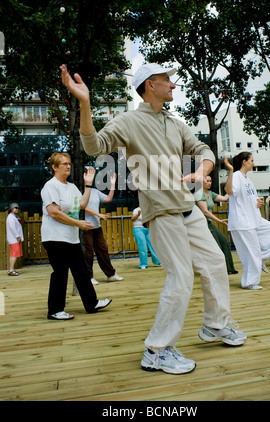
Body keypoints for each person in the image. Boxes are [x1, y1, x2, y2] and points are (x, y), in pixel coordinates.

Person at [60, 62, 247, 375]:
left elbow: (203, 148)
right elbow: (94, 146)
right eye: (167, 80)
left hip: (188, 207)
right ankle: (157, 350)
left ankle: (216, 325)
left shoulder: (174, 122)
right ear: (150, 85)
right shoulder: (130, 121)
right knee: (181, 276)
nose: (173, 85)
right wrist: (84, 104)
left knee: (215, 264)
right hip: (161, 210)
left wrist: (203, 169)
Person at [41, 152, 112, 320]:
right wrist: (78, 224)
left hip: (70, 238)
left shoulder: (71, 187)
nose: (68, 166)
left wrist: (88, 185)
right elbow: (53, 213)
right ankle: (55, 311)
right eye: (64, 163)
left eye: (69, 163)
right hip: (54, 238)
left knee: (81, 271)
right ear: (54, 167)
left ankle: (91, 303)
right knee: (60, 272)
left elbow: (81, 205)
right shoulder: (50, 186)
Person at [224, 153, 270, 290]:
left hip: (253, 219)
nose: (254, 163)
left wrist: (257, 202)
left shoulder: (248, 180)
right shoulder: (236, 176)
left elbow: (250, 198)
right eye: (252, 161)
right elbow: (228, 190)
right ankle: (249, 282)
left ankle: (261, 258)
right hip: (242, 221)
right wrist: (230, 170)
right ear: (244, 162)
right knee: (251, 252)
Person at [84, 173, 123, 284]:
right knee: (88, 253)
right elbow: (82, 207)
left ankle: (111, 275)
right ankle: (89, 277)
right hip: (85, 226)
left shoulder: (95, 192)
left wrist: (112, 185)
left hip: (97, 227)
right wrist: (99, 214)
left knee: (103, 251)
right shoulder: (78, 191)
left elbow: (108, 199)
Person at [194, 176, 238, 274]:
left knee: (224, 242)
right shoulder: (198, 194)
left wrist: (233, 184)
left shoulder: (210, 194)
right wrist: (219, 221)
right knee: (215, 246)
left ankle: (229, 269)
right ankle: (217, 270)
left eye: (210, 181)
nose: (209, 183)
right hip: (201, 224)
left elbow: (225, 198)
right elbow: (205, 212)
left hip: (209, 223)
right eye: (207, 181)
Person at [6, 203, 23, 276]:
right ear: (11, 209)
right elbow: (13, 228)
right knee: (14, 255)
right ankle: (11, 270)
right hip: (14, 239)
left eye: (18, 208)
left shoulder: (13, 217)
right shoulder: (11, 217)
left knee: (14, 254)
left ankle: (12, 270)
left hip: (14, 239)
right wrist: (17, 236)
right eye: (15, 207)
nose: (17, 209)